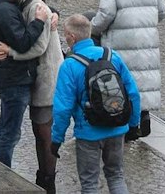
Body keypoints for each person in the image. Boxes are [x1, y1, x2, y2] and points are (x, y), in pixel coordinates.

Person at [48, 13, 142, 194]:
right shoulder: (112, 56)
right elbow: (133, 94)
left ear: (72, 37)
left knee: (89, 184)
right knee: (116, 176)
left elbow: (63, 108)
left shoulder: (69, 65)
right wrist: (133, 125)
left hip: (88, 132)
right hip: (117, 128)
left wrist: (57, 139)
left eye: (65, 35)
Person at [91, 0, 165, 140]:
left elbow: (106, 14)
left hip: (120, 38)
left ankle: (128, 124)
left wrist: (93, 28)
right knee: (144, 75)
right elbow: (162, 11)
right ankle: (144, 114)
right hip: (147, 37)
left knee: (123, 78)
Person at [0, 0, 54, 169]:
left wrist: (53, 13)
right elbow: (23, 42)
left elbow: (33, 1)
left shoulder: (8, 3)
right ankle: (1, 175)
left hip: (12, 76)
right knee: (10, 133)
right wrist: (39, 21)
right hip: (15, 78)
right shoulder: (6, 9)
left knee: (5, 129)